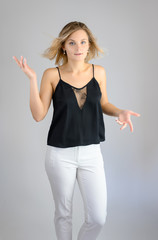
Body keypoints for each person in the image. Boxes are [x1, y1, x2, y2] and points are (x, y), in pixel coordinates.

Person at [13, 21, 140, 240]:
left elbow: (104, 104)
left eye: (83, 42)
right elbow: (38, 114)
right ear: (64, 46)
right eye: (72, 43)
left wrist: (120, 112)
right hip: (60, 155)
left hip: (91, 153)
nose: (78, 47)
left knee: (98, 218)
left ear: (89, 45)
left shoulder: (98, 72)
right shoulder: (51, 75)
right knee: (64, 214)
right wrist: (32, 80)